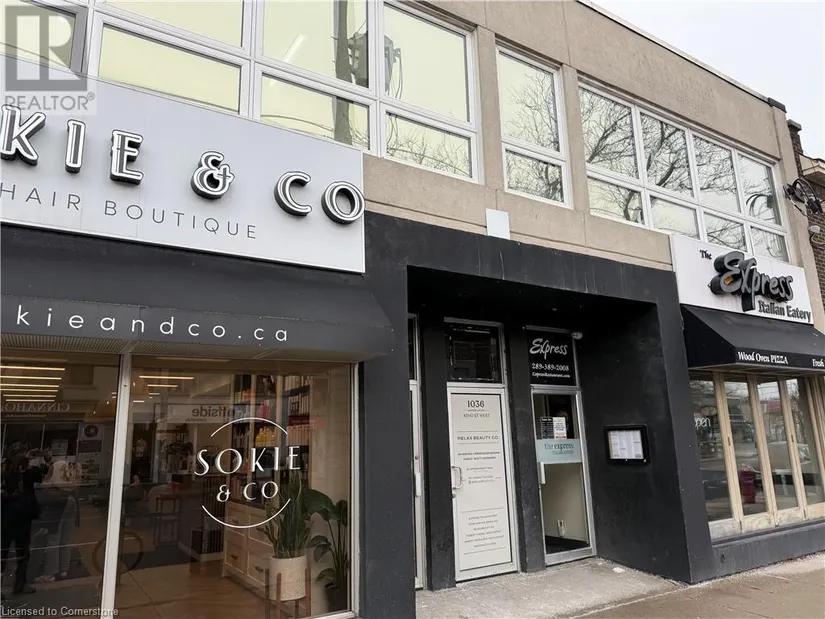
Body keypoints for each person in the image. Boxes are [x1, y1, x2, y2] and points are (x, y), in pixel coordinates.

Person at [1, 452, 41, 596]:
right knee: (22, 554)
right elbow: (40, 474)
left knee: (2, 554)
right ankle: (19, 585)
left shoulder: (5, 476)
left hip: (5, 521)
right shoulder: (27, 476)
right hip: (22, 522)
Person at [33, 460, 79, 583]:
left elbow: (46, 483)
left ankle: (50, 573)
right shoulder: (66, 466)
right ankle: (64, 569)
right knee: (66, 539)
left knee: (53, 539)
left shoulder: (55, 466)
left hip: (58, 502)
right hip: (71, 500)